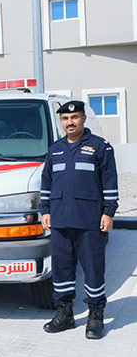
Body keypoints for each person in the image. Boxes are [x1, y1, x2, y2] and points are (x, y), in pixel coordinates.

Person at [40, 100, 118, 339]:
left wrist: (109, 212)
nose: (70, 122)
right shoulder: (55, 149)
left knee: (94, 269)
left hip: (90, 221)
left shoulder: (100, 147)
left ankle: (96, 316)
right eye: (65, 119)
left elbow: (110, 182)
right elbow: (47, 184)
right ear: (61, 121)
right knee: (62, 270)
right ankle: (65, 314)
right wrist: (45, 211)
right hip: (60, 221)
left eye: (74, 118)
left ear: (83, 118)